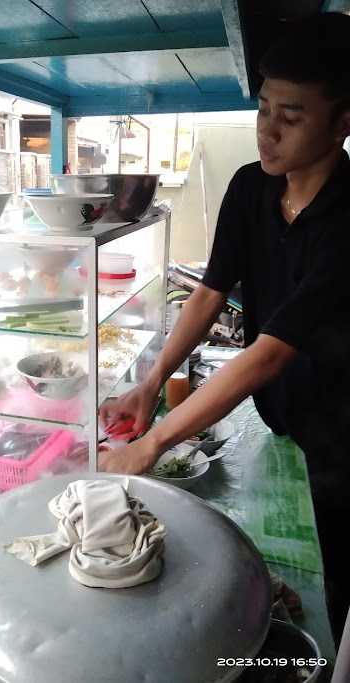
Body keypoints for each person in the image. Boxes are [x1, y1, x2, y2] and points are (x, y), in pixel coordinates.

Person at [99, 12, 350, 643]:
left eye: (292, 117)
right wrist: (150, 382)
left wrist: (150, 446)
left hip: (344, 430)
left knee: (334, 581)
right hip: (284, 418)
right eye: (264, 109)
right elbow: (210, 291)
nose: (268, 131)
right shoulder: (250, 187)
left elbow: (268, 354)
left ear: (343, 124)